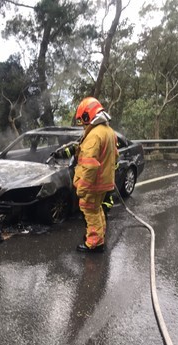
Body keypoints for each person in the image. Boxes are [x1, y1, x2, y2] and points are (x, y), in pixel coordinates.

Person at [72, 97, 118, 252]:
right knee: (97, 209)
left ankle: (93, 244)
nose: (83, 124)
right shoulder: (109, 131)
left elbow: (90, 166)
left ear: (88, 116)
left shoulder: (93, 136)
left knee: (89, 210)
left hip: (94, 183)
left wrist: (82, 188)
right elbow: (115, 157)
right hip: (105, 181)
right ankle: (99, 236)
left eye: (83, 120)